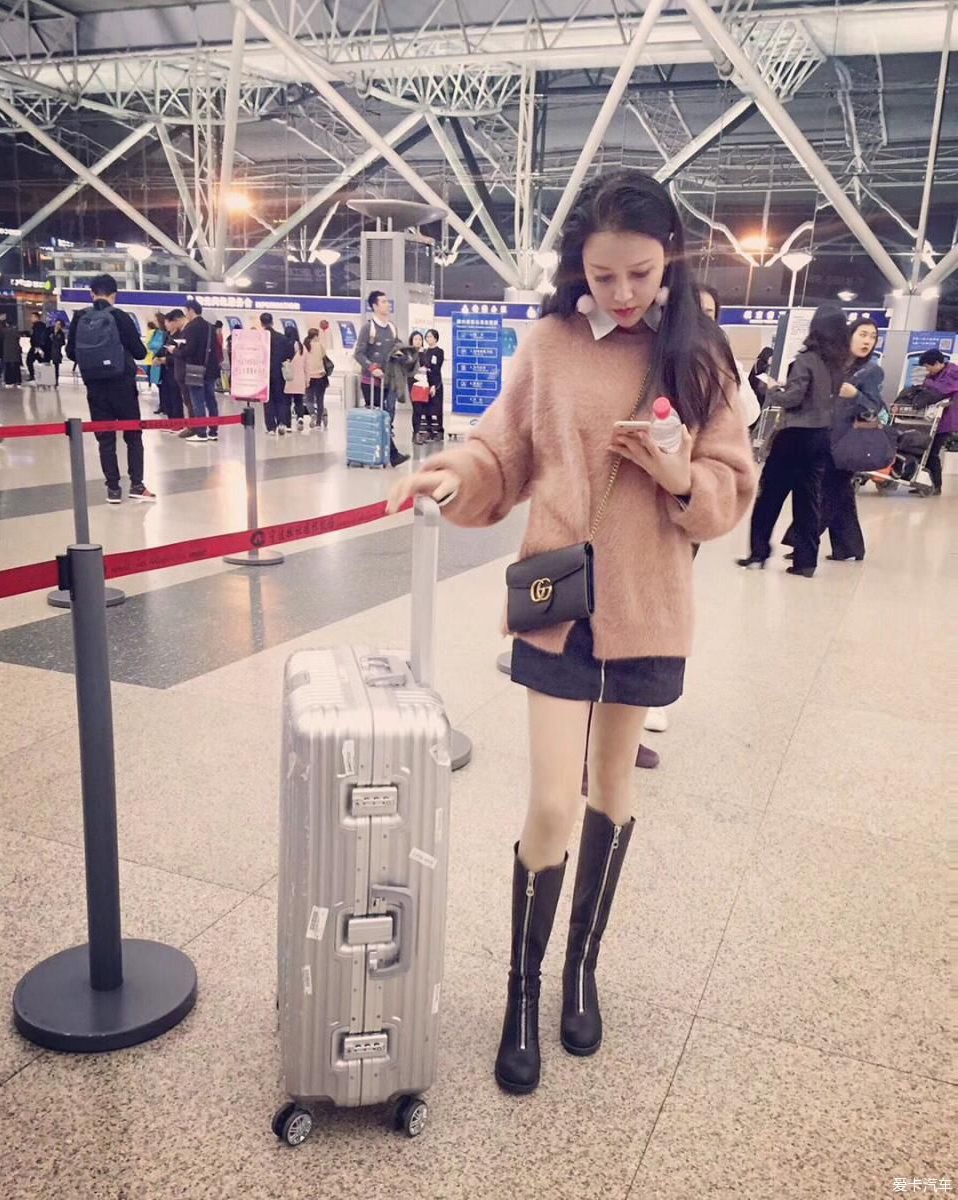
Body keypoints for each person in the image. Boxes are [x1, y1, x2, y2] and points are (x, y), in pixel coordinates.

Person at [387, 168, 755, 1096]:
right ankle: (521, 988)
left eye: (640, 272)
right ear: (576, 270)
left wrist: (680, 476)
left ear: (669, 258)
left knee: (613, 788)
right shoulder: (549, 345)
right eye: (602, 275)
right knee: (551, 801)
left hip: (649, 601)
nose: (622, 292)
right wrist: (454, 475)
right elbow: (502, 450)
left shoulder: (700, 355)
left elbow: (730, 488)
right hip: (557, 598)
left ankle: (580, 969)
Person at [737, 303, 846, 577]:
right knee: (808, 501)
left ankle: (758, 553)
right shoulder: (837, 364)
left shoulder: (806, 360)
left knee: (770, 496)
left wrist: (772, 389)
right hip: (821, 436)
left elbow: (793, 398)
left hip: (795, 437)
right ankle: (806, 561)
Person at [782, 317, 885, 562]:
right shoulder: (835, 364)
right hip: (823, 434)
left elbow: (874, 407)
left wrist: (855, 394)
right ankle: (849, 547)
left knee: (825, 491)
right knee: (840, 493)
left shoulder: (871, 371)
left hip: (847, 440)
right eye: (863, 334)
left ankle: (802, 541)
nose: (867, 341)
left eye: (872, 337)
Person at [66, 273, 154, 503]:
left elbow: (71, 352)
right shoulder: (120, 316)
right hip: (122, 385)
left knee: (105, 439)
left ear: (91, 293)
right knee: (133, 435)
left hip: (95, 386)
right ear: (114, 294)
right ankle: (137, 485)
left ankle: (113, 489)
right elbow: (140, 352)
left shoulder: (80, 317)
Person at [353, 290, 409, 467]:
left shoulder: (391, 327)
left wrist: (402, 354)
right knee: (379, 416)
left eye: (387, 301)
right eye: (383, 302)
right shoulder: (368, 328)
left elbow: (396, 346)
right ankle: (392, 455)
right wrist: (372, 368)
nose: (387, 304)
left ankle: (383, 453)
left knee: (387, 416)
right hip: (371, 382)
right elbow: (358, 353)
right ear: (375, 306)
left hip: (388, 380)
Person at [698, 284, 761, 426]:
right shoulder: (662, 353)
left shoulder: (721, 356)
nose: (701, 320)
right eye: (695, 312)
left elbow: (750, 413)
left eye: (708, 314)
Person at [914, 349, 958, 495]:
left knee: (932, 452)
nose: (927, 370)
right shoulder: (938, 374)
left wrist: (927, 382)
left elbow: (942, 390)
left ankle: (936, 486)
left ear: (938, 363)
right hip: (935, 421)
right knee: (925, 451)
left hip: (946, 421)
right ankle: (924, 483)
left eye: (928, 366)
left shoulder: (953, 373)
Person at [180, 299, 221, 443]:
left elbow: (189, 350)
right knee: (211, 400)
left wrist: (176, 350)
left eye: (186, 311)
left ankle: (201, 432)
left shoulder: (191, 327)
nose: (186, 314)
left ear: (191, 310)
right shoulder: (210, 327)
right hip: (211, 368)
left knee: (197, 401)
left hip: (195, 369)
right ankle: (213, 431)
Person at [259, 312, 293, 435]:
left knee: (267, 400)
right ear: (272, 322)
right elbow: (289, 355)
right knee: (280, 399)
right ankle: (281, 423)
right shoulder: (282, 338)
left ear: (261, 323)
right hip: (279, 373)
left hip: (264, 373)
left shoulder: (259, 338)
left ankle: (270, 427)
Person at [154, 309, 185, 427]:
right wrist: (157, 358)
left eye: (167, 322)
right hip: (166, 371)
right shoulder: (167, 336)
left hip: (175, 370)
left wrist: (165, 360)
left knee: (176, 397)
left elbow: (180, 356)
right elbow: (162, 350)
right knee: (168, 396)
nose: (166, 324)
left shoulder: (179, 337)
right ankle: (170, 421)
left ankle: (178, 422)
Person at [420, 328, 445, 442]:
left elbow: (436, 367)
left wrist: (434, 385)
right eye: (427, 337)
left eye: (430, 336)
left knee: (437, 407)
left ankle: (439, 431)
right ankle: (429, 430)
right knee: (427, 407)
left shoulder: (439, 351)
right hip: (426, 382)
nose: (428, 339)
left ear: (435, 338)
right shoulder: (424, 351)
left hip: (436, 382)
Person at [303, 326, 330, 429]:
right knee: (320, 400)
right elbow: (324, 356)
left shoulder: (305, 346)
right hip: (320, 376)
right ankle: (318, 423)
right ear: (315, 336)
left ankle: (312, 414)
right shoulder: (320, 345)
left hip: (309, 377)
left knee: (309, 399)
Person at [284, 335, 307, 432]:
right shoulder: (303, 348)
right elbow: (306, 365)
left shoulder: (286, 346)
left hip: (289, 378)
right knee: (299, 401)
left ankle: (288, 425)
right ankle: (300, 417)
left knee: (287, 403)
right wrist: (307, 379)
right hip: (300, 379)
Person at [26, 311, 50, 382]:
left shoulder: (39, 326)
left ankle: (39, 376)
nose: (31, 318)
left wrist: (38, 346)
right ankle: (40, 376)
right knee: (39, 361)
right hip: (36, 347)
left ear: (36, 318)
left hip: (38, 347)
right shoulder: (36, 326)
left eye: (32, 317)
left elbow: (40, 337)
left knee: (31, 361)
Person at [0, 315, 22, 386]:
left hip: (7, 352)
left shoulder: (4, 331)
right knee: (16, 367)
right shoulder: (15, 330)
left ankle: (9, 381)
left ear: (6, 324)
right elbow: (18, 337)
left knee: (8, 367)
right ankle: (18, 381)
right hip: (15, 351)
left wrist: (0, 321)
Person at [49, 319, 67, 387]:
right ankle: (48, 379)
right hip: (49, 350)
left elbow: (62, 342)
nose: (57, 325)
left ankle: (56, 380)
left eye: (59, 324)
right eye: (57, 323)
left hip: (56, 352)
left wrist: (55, 339)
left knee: (56, 367)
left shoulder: (61, 333)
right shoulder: (50, 330)